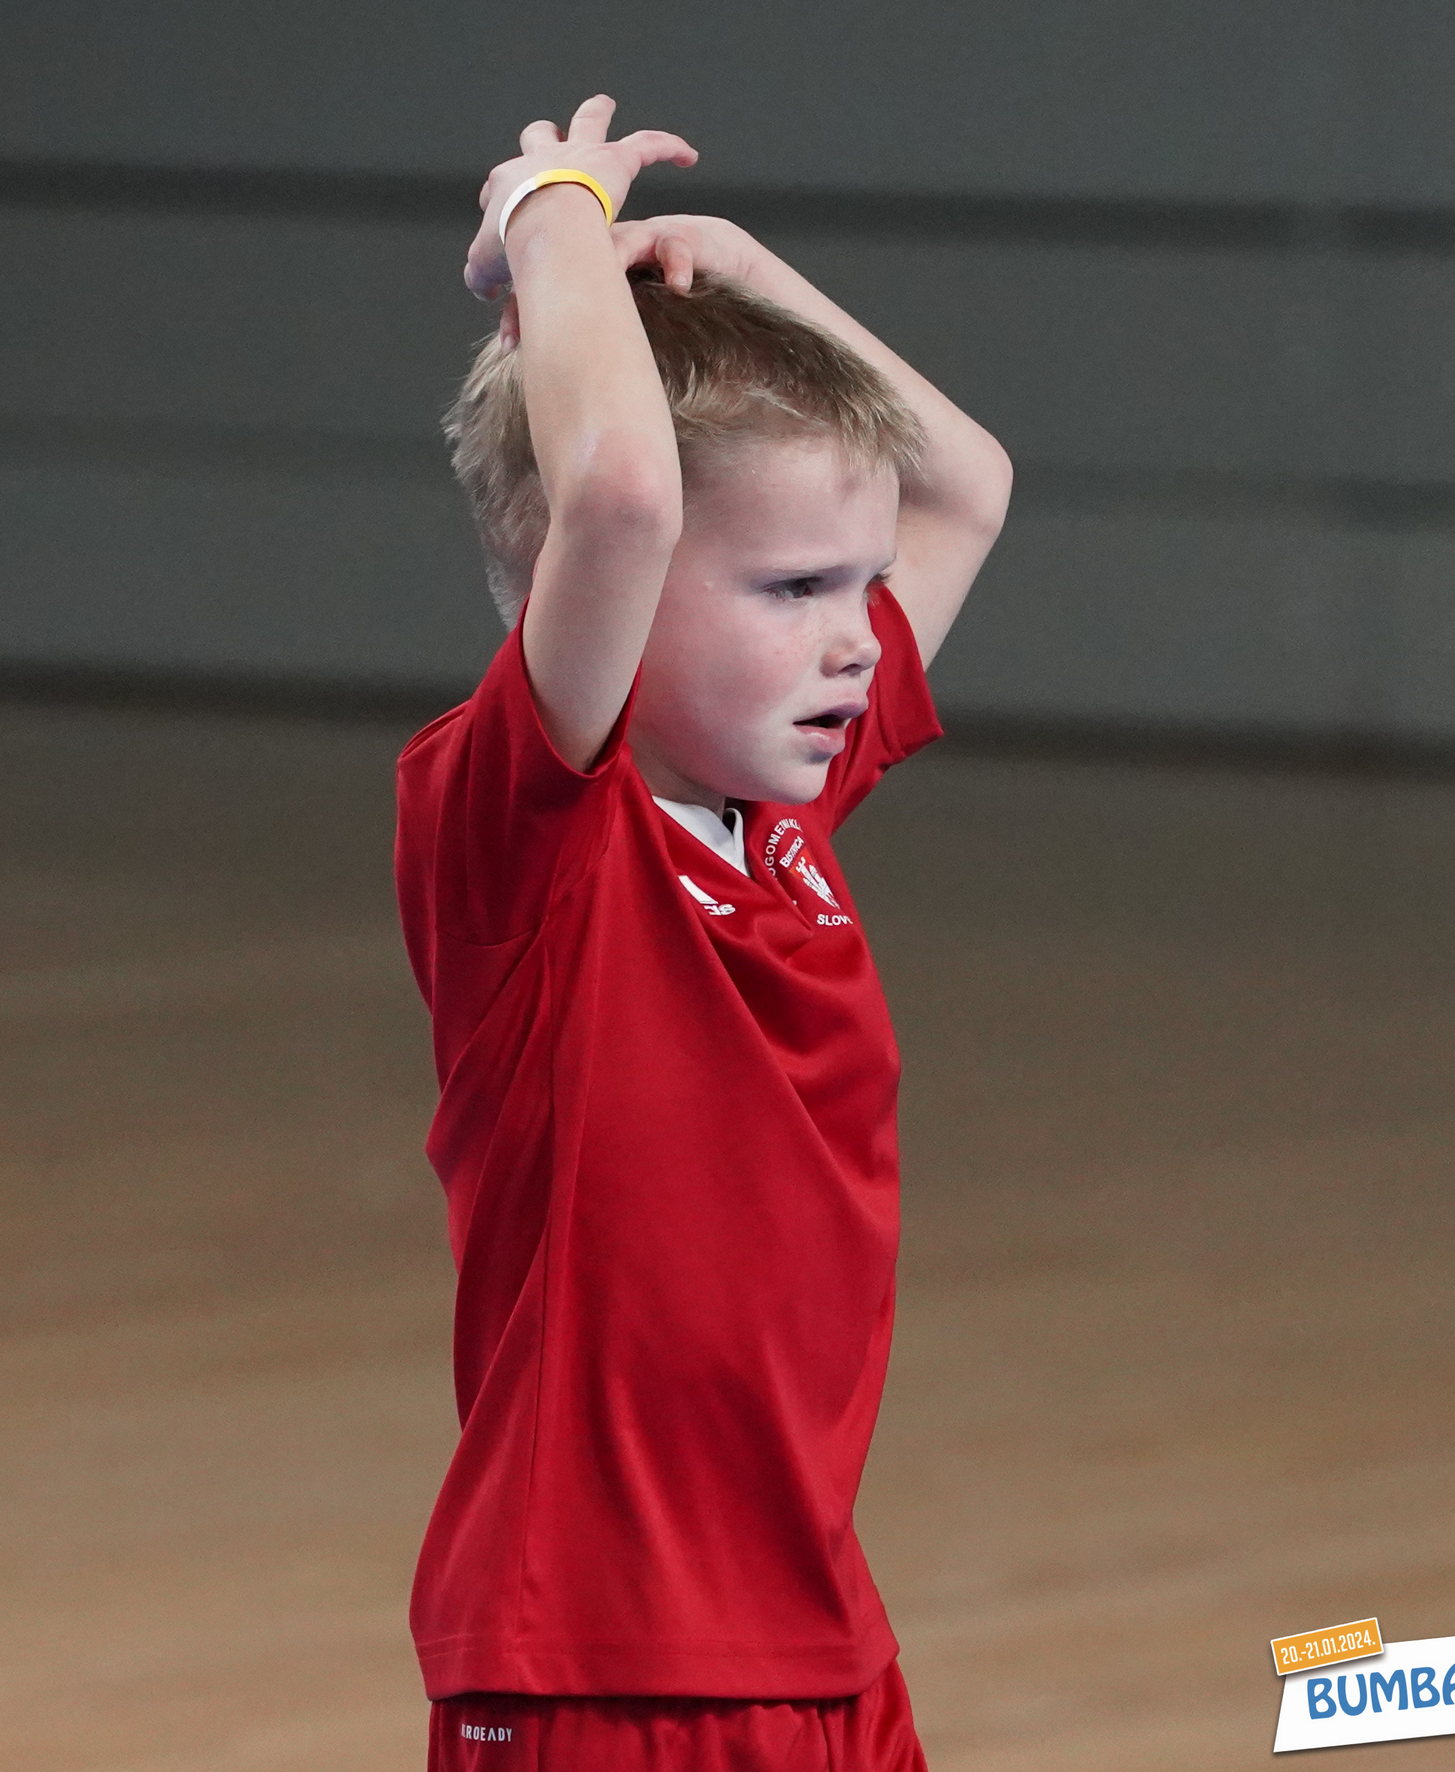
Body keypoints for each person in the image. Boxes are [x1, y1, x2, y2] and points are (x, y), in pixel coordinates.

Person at [394, 94, 1012, 1771]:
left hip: (823, 1644)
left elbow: (968, 482)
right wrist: (547, 213)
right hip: (603, 1667)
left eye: (859, 583)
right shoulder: (532, 846)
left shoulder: (783, 827)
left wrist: (734, 267)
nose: (858, 641)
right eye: (794, 589)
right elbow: (615, 492)